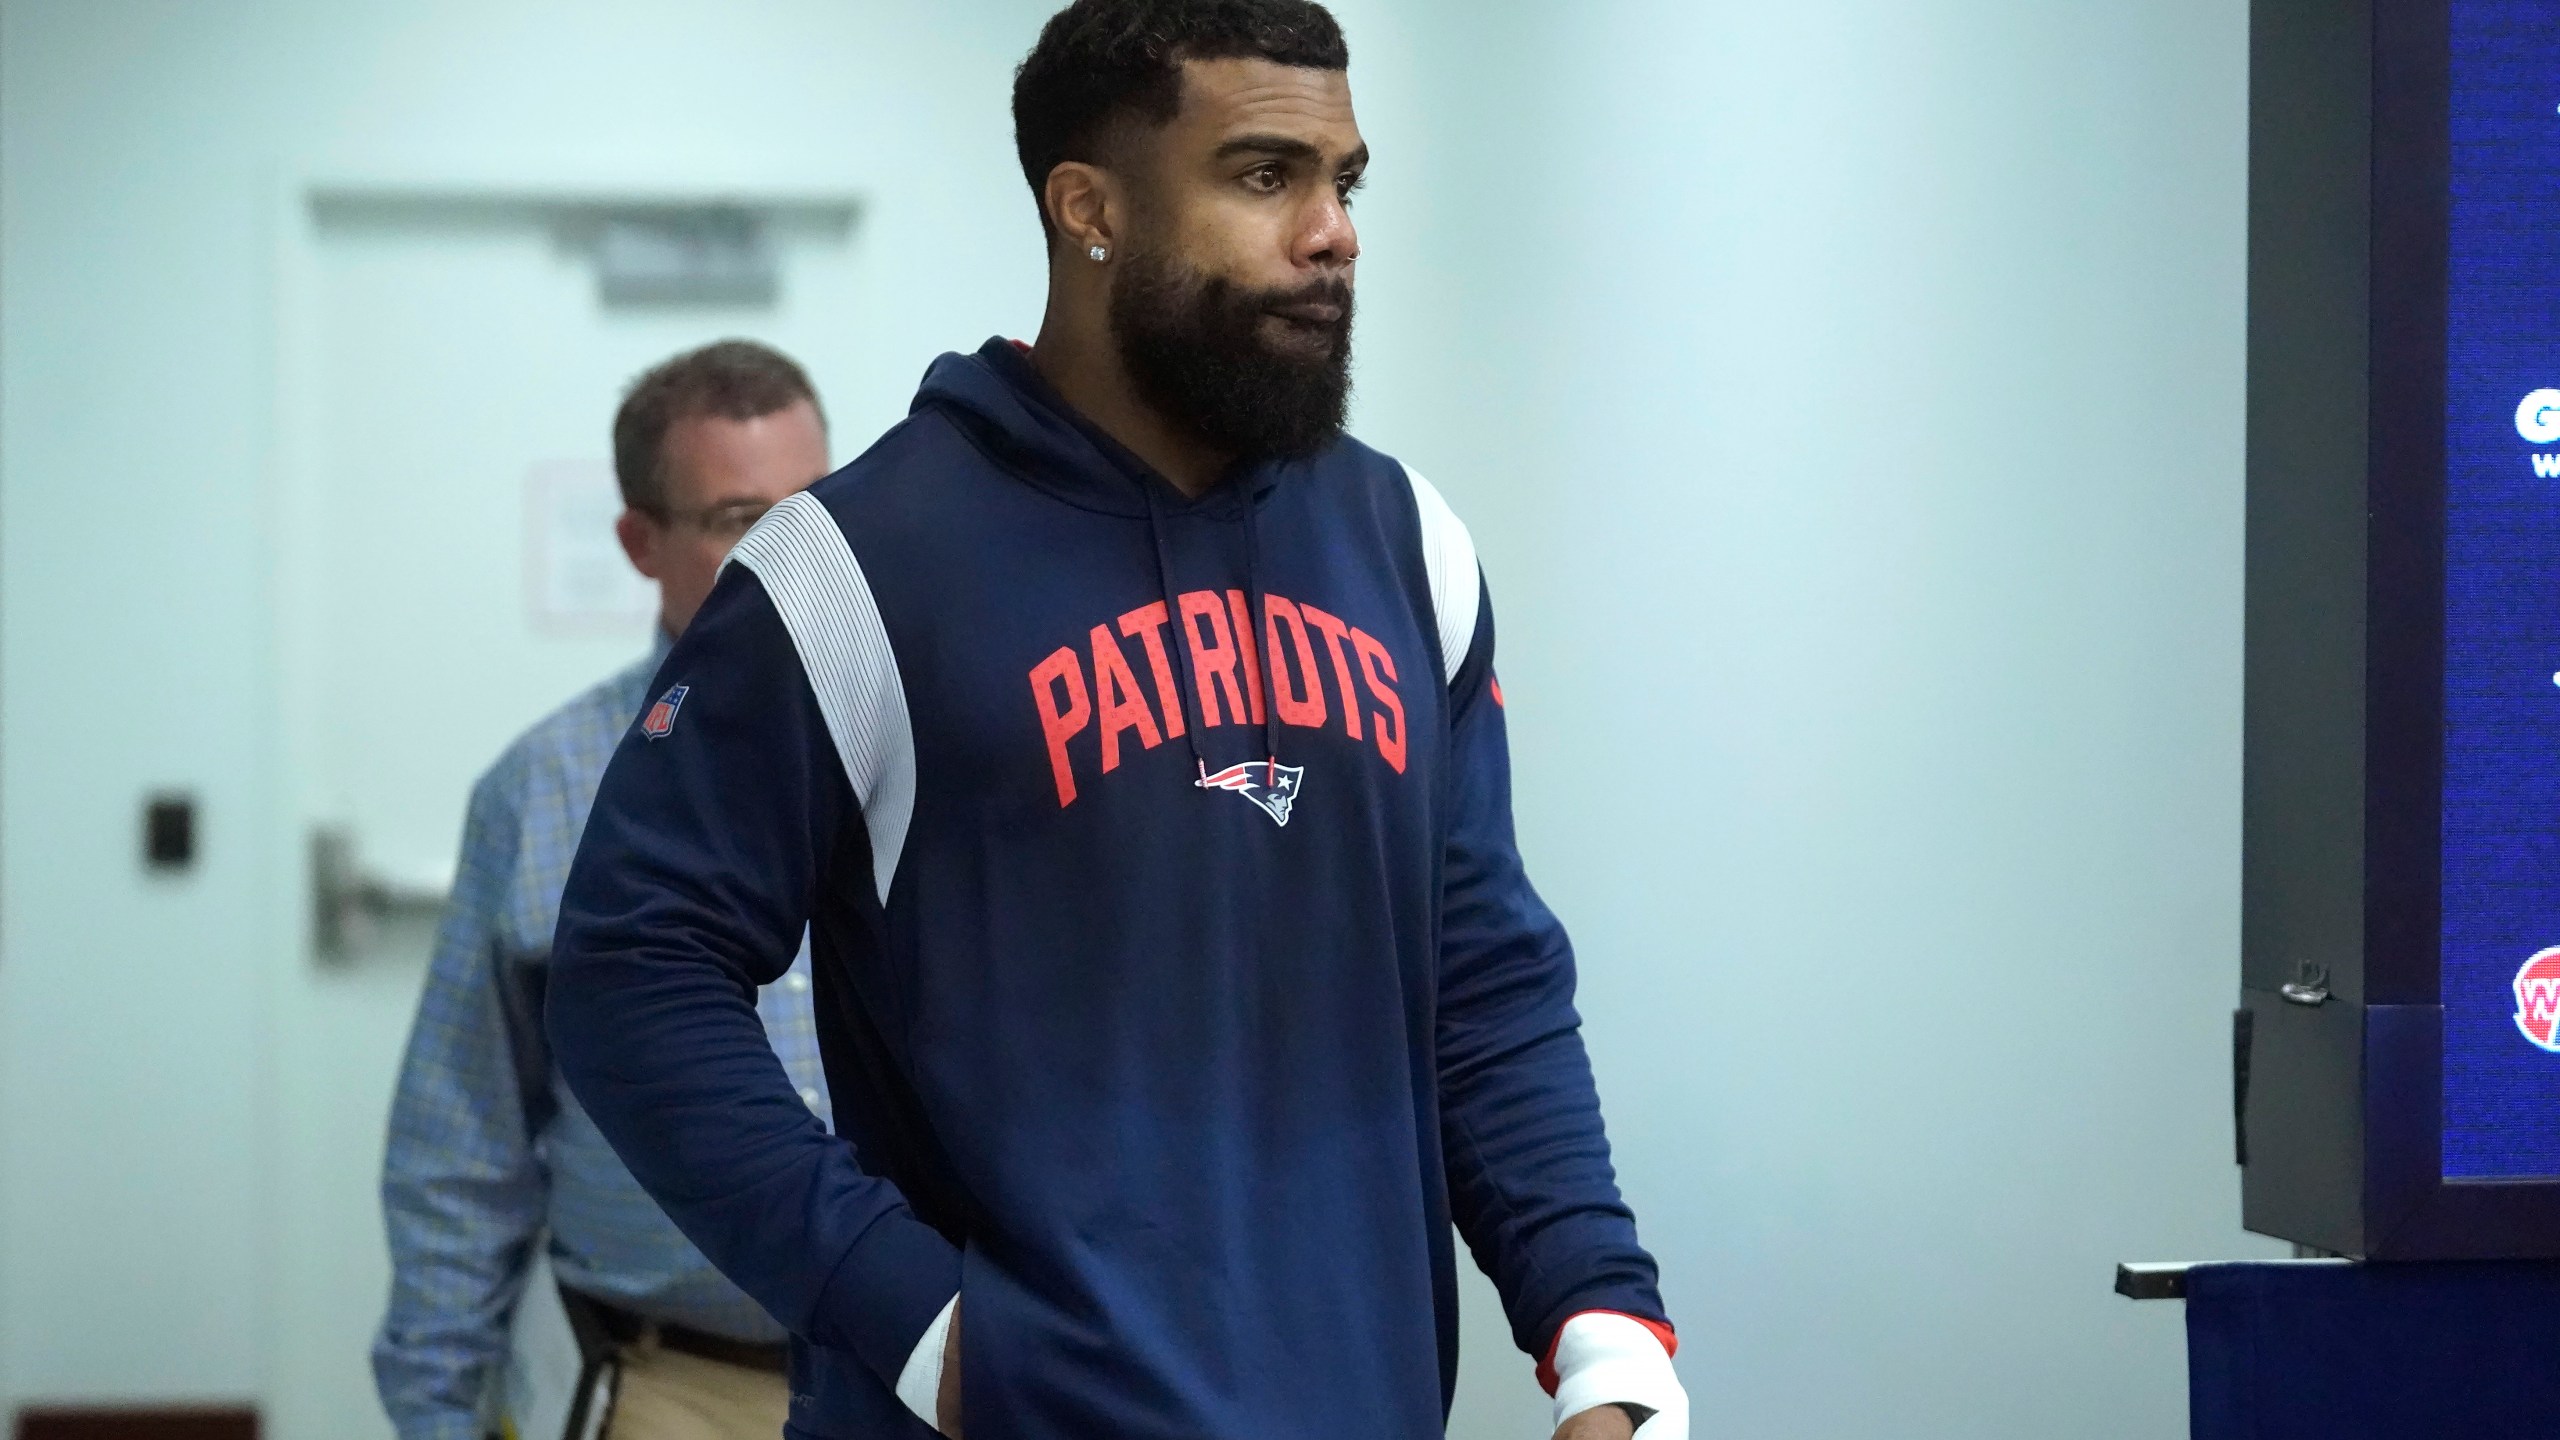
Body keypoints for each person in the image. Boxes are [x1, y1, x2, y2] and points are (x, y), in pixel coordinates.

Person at [546, 3, 1687, 1437]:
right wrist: (920, 1327)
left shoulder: (1410, 544)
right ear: (1086, 208)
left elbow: (1486, 982)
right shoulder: (856, 567)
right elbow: (633, 975)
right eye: (1265, 176)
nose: (1331, 232)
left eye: (1346, 182)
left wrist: (1602, 1330)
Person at [372, 340, 836, 1440]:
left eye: (819, 510)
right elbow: (464, 1147)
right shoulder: (545, 792)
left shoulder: (949, 756)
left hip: (933, 1383)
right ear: (641, 541)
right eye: (737, 519)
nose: (796, 556)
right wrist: (438, 1412)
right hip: (669, 1385)